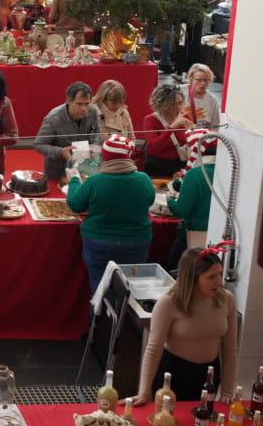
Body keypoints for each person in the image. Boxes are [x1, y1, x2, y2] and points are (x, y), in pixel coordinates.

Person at [135, 245, 237, 404]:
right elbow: (153, 349)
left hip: (209, 374)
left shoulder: (226, 300)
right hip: (173, 376)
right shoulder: (169, 303)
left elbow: (230, 349)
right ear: (193, 278)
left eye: (220, 274)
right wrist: (144, 391)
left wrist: (228, 391)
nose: (219, 281)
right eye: (211, 277)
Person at [66, 134, 156, 294]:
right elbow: (150, 201)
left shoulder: (95, 181)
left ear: (105, 157)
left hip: (100, 242)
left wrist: (74, 180)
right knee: (131, 291)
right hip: (136, 243)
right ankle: (127, 318)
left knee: (101, 293)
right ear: (129, 157)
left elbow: (75, 205)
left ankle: (102, 318)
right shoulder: (144, 179)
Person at [34, 82, 102, 180]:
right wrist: (60, 152)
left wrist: (94, 147)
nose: (84, 108)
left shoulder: (93, 112)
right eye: (79, 104)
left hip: (85, 169)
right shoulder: (54, 118)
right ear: (69, 101)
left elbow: (96, 133)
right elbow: (38, 145)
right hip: (58, 172)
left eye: (87, 103)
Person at [169, 128, 216, 251]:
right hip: (216, 234)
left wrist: (169, 199)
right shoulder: (226, 170)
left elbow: (181, 210)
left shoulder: (195, 174)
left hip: (193, 235)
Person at [141, 82, 193, 179]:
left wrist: (193, 132)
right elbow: (153, 147)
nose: (179, 107)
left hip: (180, 163)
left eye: (180, 102)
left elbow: (191, 142)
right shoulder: (150, 120)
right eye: (174, 104)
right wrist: (172, 127)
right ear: (163, 105)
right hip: (157, 165)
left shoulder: (184, 116)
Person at [184, 62, 221, 127]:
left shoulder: (212, 100)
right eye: (198, 80)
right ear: (191, 79)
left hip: (202, 135)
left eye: (206, 80)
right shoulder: (180, 92)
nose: (203, 83)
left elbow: (215, 125)